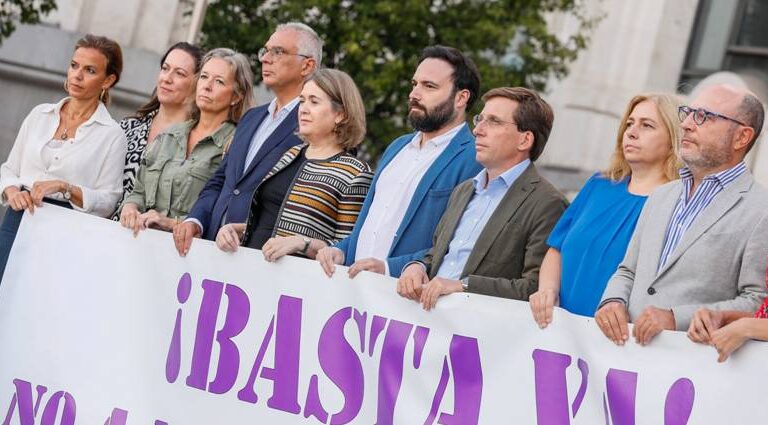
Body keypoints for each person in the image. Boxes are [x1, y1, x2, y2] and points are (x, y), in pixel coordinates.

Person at [595, 84, 768, 346]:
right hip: (626, 355)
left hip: (693, 368)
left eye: (704, 116)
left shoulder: (760, 208)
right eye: (687, 113)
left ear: (742, 137)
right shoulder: (662, 195)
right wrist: (612, 301)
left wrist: (676, 318)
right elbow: (628, 269)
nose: (686, 124)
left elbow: (756, 302)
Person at [316, 45, 483, 278]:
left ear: (461, 98)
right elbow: (370, 227)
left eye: (429, 86)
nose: (414, 94)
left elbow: (459, 245)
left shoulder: (475, 158)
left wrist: (388, 268)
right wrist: (340, 251)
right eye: (415, 84)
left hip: (406, 302)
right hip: (354, 291)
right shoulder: (398, 147)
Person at [397, 87, 567, 310]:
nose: (477, 130)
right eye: (480, 119)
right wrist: (418, 266)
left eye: (494, 121)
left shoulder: (548, 203)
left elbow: (535, 288)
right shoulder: (464, 190)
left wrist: (463, 286)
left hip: (476, 335)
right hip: (428, 321)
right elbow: (437, 254)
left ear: (525, 140)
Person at [529, 93, 682, 326]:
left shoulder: (678, 204)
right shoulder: (599, 185)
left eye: (647, 125)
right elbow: (556, 249)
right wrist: (547, 291)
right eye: (629, 123)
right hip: (559, 329)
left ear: (674, 140)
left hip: (617, 342)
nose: (631, 132)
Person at [172, 22, 321, 256]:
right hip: (210, 249)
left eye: (278, 52)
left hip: (260, 257)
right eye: (266, 51)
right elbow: (220, 181)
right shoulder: (251, 118)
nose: (265, 59)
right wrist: (196, 220)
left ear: (307, 65)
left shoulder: (314, 127)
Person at [0, 34, 127, 281]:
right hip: (17, 220)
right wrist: (12, 192)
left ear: (108, 80)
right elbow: (8, 169)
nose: (77, 76)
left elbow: (109, 200)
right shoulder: (39, 114)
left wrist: (66, 188)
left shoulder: (112, 136)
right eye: (74, 65)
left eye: (89, 70)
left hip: (64, 231)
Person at [215, 69, 372, 260]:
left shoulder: (355, 172)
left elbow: (346, 249)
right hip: (251, 270)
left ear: (341, 115)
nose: (303, 109)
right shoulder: (290, 154)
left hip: (296, 284)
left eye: (314, 102)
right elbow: (269, 220)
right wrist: (234, 229)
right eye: (302, 101)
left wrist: (302, 243)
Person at [118, 48, 254, 234]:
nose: (207, 86)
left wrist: (170, 223)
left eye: (219, 82)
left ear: (236, 97)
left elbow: (222, 212)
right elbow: (138, 190)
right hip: (141, 243)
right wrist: (130, 208)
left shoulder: (236, 145)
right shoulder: (170, 135)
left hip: (189, 253)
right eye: (204, 77)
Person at [119, 42, 204, 201]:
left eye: (179, 73)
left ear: (197, 83)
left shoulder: (198, 142)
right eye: (165, 69)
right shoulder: (127, 128)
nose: (167, 78)